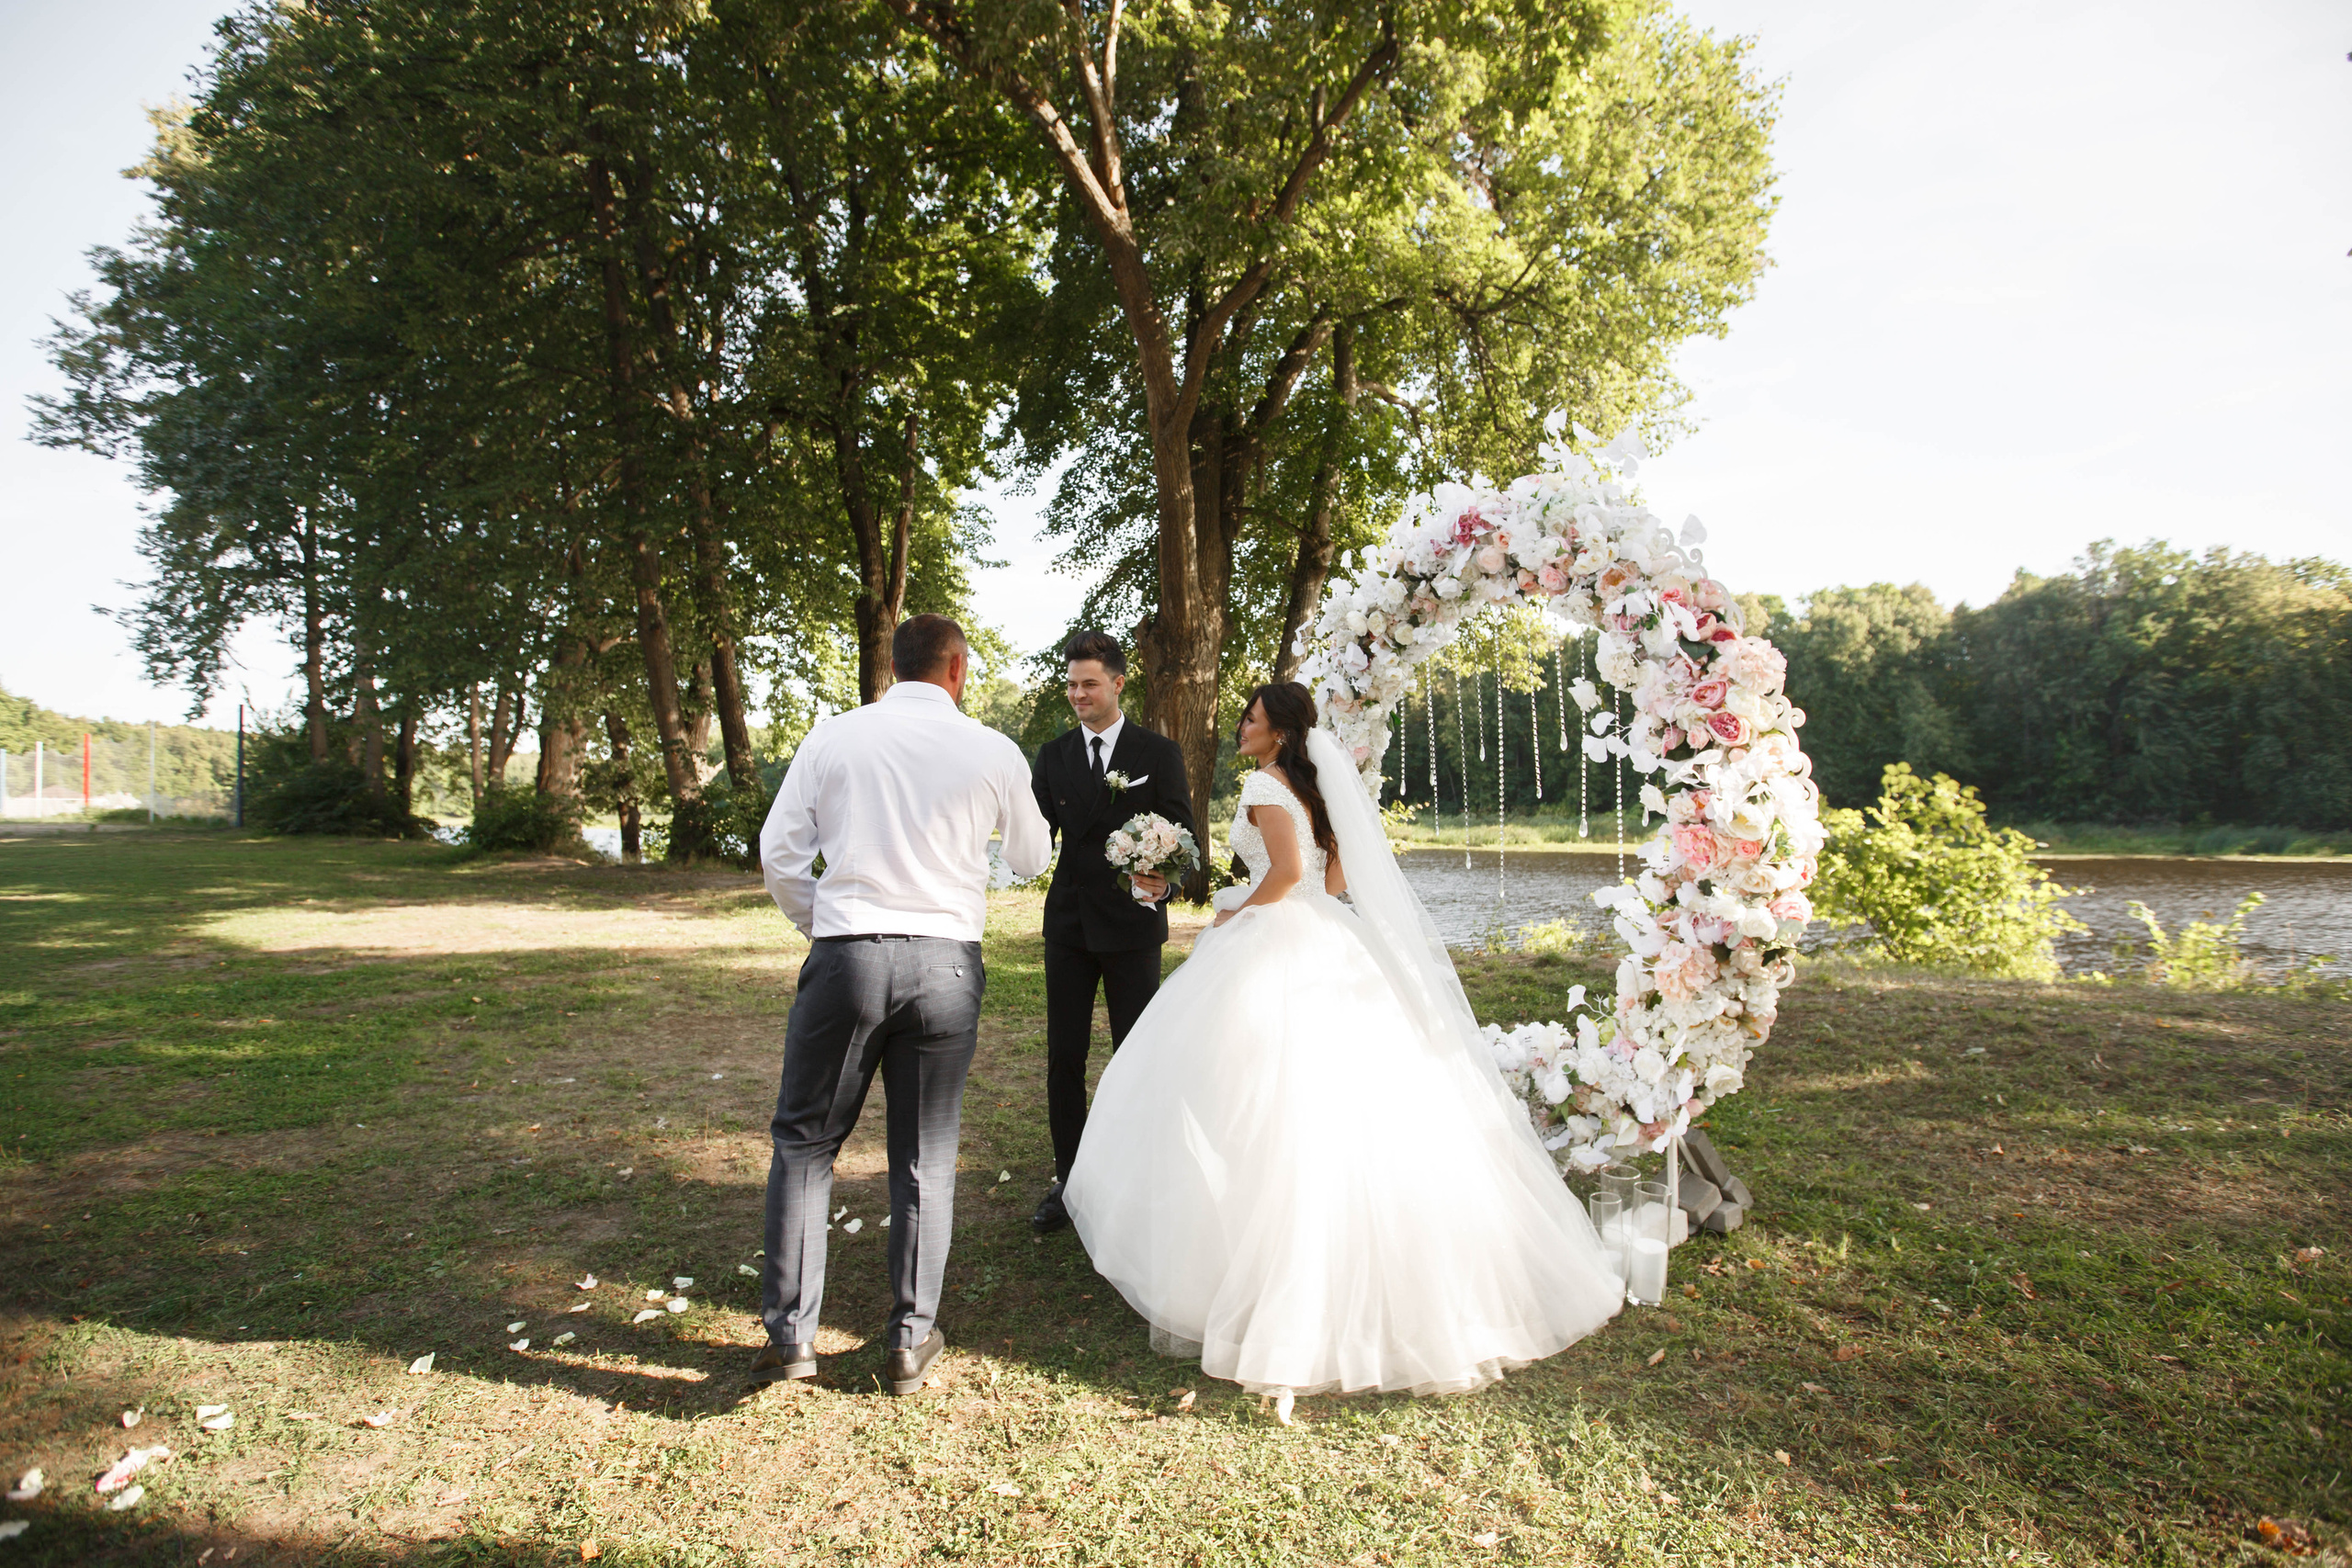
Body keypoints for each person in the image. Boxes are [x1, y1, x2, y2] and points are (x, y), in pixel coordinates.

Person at [1061, 682, 1623, 1409]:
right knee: (1339, 1101)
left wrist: (1234, 915)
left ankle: (1257, 1273)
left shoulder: (1267, 783)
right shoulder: (1313, 786)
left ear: (1279, 733)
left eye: (1253, 718)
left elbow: (1289, 874)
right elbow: (1334, 873)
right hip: (1327, 934)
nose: (1242, 725)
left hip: (1276, 939)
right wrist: (1291, 903)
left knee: (1257, 1098)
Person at [751, 615, 1052, 1395]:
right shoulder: (992, 749)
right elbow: (1031, 855)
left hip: (849, 952)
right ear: (957, 669)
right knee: (927, 1156)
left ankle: (792, 1338)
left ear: (894, 665)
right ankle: (910, 1339)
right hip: (947, 963)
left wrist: (823, 922)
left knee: (807, 1142)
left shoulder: (835, 737)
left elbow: (779, 852)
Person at [1025, 630, 1197, 1235]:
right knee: (1064, 1057)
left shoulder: (1158, 752)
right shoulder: (1052, 757)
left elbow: (1181, 830)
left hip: (1132, 925)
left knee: (1135, 1056)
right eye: (1071, 684)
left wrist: (1165, 881)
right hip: (1069, 925)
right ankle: (1070, 1182)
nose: (1077, 694)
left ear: (1118, 683)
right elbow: (1032, 837)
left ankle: (1138, 1182)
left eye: (1089, 683)